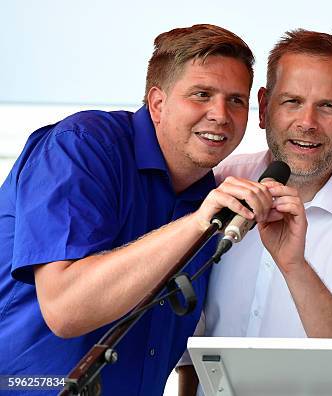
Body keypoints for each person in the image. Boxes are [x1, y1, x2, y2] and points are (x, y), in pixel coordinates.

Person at [0, 24, 288, 396]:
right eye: (201, 94)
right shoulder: (82, 147)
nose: (220, 114)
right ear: (157, 103)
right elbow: (65, 308)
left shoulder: (212, 194)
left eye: (236, 100)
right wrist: (196, 223)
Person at [177, 29, 332, 394]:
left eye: (328, 106)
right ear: (264, 107)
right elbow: (194, 334)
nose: (307, 122)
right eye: (291, 101)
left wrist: (295, 266)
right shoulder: (223, 181)